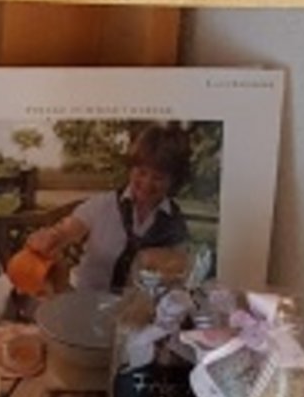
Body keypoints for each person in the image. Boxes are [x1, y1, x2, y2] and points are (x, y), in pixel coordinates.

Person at [24, 124, 193, 294]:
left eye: (158, 177)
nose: (147, 184)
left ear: (173, 181)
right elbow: (70, 228)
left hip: (139, 313)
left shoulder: (175, 224)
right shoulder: (103, 206)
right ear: (131, 169)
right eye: (141, 172)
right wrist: (52, 236)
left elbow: (180, 270)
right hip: (87, 302)